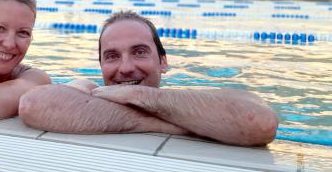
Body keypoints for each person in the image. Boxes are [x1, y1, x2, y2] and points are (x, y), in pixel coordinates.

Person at [19, 10, 278, 146]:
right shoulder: (89, 89)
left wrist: (139, 95)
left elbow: (261, 123)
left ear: (163, 62)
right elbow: (33, 105)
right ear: (100, 66)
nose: (126, 68)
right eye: (111, 56)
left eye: (139, 52)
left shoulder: (193, 98)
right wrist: (173, 124)